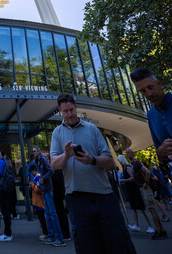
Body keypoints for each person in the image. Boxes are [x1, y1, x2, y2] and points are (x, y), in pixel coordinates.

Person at [50, 93, 137, 254]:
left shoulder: (92, 129)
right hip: (76, 198)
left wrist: (92, 160)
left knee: (118, 242)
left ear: (76, 108)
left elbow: (110, 162)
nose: (69, 114)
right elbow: (54, 164)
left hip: (103, 195)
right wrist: (66, 155)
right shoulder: (57, 133)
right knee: (86, 245)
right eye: (65, 111)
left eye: (72, 110)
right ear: (60, 112)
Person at [130, 68, 172, 163]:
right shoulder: (150, 115)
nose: (149, 94)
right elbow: (159, 155)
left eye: (150, 87)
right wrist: (161, 151)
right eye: (143, 91)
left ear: (159, 84)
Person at [125, 148, 167, 240]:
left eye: (127, 152)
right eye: (126, 153)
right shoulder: (133, 163)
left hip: (145, 188)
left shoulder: (136, 162)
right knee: (152, 209)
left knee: (152, 209)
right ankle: (162, 230)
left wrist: (146, 183)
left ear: (131, 153)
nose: (126, 154)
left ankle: (158, 231)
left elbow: (147, 172)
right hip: (143, 188)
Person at [32, 145, 65, 247]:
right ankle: (52, 236)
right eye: (32, 151)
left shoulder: (43, 159)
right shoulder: (39, 160)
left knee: (52, 213)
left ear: (38, 151)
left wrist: (43, 178)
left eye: (34, 151)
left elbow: (51, 170)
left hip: (48, 188)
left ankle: (59, 238)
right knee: (48, 213)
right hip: (45, 189)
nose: (33, 153)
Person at [117, 154, 153, 233]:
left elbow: (133, 177)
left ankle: (150, 226)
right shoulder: (124, 168)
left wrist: (124, 180)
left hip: (134, 190)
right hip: (130, 190)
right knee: (133, 208)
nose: (118, 161)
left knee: (142, 209)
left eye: (119, 160)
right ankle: (137, 225)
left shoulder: (127, 167)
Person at [0, 149, 14, 242]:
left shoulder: (1, 162)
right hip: (6, 189)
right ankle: (7, 232)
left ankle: (7, 233)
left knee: (5, 211)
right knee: (6, 211)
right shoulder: (5, 161)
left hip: (2, 189)